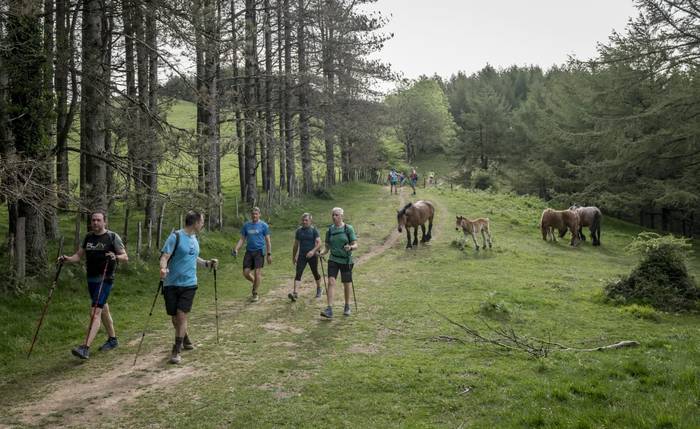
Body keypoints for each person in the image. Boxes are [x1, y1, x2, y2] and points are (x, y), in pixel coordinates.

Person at [60, 210, 128, 360]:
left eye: (98, 220)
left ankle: (85, 347)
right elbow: (78, 256)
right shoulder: (88, 237)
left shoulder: (112, 237)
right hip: (91, 279)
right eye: (93, 220)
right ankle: (112, 340)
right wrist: (67, 259)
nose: (95, 223)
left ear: (105, 222)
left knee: (95, 313)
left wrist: (115, 256)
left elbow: (125, 257)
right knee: (103, 310)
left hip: (105, 278)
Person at [159, 210, 218, 365]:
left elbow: (192, 257)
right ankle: (184, 337)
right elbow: (165, 256)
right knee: (174, 317)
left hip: (189, 283)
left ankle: (176, 350)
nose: (203, 224)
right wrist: (163, 269)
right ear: (195, 222)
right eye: (202, 221)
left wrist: (206, 263)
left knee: (181, 314)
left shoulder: (194, 238)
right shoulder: (175, 237)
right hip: (171, 283)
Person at [319, 207, 358, 318]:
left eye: (336, 215)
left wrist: (350, 247)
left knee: (346, 284)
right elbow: (327, 248)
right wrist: (321, 253)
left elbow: (356, 245)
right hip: (333, 259)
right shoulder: (329, 230)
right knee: (331, 282)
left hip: (346, 260)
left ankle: (347, 306)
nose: (334, 217)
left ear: (341, 216)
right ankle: (329, 309)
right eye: (333, 215)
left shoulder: (348, 228)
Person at [232, 206, 272, 302]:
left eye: (256, 214)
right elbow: (242, 239)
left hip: (259, 251)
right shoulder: (246, 225)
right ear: (251, 215)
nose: (254, 215)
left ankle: (255, 292)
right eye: (253, 214)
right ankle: (255, 282)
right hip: (249, 251)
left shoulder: (264, 226)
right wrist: (236, 249)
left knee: (257, 272)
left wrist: (269, 254)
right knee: (246, 273)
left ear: (259, 215)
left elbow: (268, 241)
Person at [290, 213, 323, 301]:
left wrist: (313, 251)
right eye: (303, 220)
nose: (304, 222)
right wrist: (294, 256)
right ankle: (295, 293)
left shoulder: (314, 230)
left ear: (310, 221)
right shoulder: (299, 231)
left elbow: (319, 243)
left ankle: (319, 288)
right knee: (298, 273)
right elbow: (296, 245)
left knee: (315, 272)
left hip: (312, 256)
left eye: (306, 220)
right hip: (302, 255)